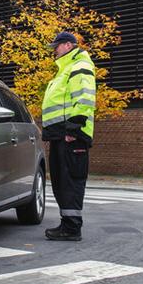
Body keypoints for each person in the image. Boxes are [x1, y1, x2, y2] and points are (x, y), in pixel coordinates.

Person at [41, 31, 96, 241]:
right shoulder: (65, 70)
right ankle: (67, 225)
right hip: (61, 135)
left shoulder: (79, 66)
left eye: (56, 47)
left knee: (71, 181)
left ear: (67, 45)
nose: (53, 51)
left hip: (71, 135)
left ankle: (72, 229)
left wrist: (73, 130)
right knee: (61, 181)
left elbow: (84, 99)